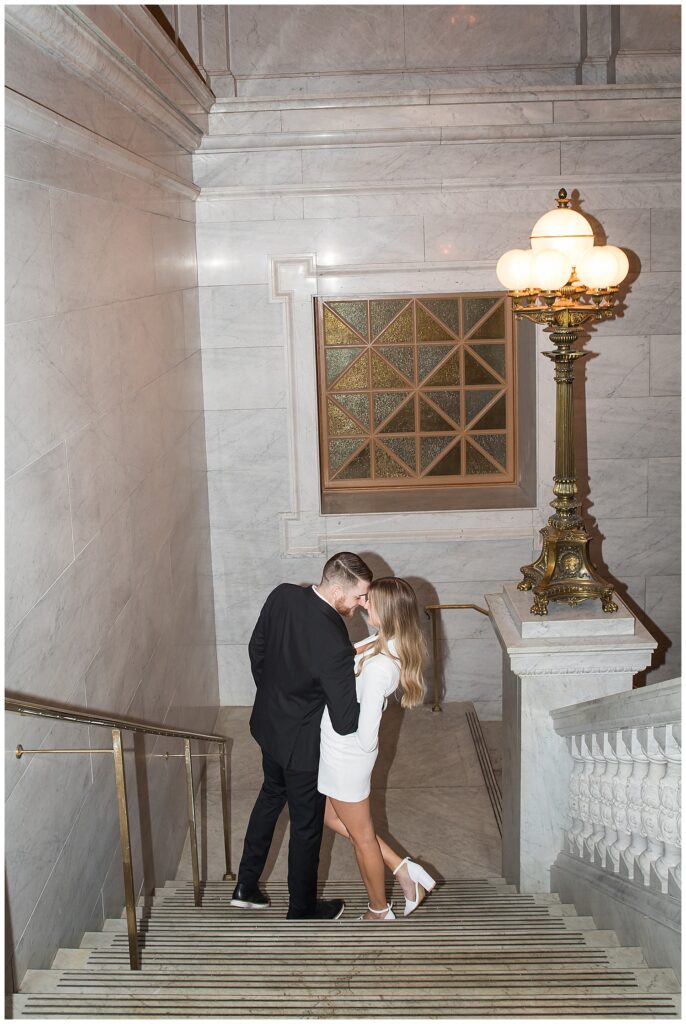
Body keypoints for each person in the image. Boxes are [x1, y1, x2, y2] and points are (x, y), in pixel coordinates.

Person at [230, 552, 373, 920]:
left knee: (270, 797)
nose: (361, 605)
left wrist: (277, 697)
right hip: (302, 746)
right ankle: (302, 908)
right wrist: (367, 685)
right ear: (338, 589)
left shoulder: (282, 595)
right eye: (358, 597)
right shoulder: (334, 642)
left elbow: (256, 650)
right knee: (307, 826)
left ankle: (246, 885)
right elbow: (344, 721)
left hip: (269, 727)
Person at [319, 576, 436, 921]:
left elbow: (368, 736)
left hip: (347, 756)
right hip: (338, 750)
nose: (363, 604)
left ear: (386, 609)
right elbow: (344, 656)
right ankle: (405, 869)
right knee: (330, 817)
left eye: (370, 600)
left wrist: (342, 743)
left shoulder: (382, 665)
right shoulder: (384, 640)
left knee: (363, 838)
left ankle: (379, 909)